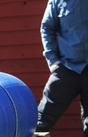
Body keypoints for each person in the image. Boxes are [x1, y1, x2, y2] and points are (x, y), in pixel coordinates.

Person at [36, 0, 88, 136]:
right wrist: (53, 61)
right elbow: (46, 28)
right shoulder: (57, 1)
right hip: (67, 68)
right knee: (41, 121)